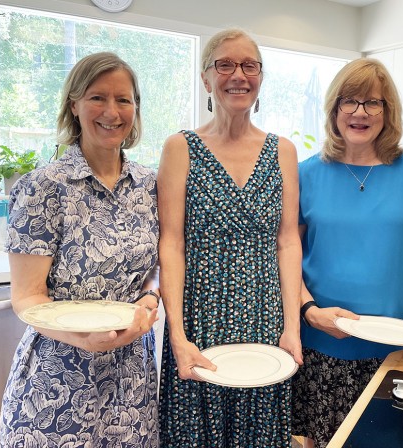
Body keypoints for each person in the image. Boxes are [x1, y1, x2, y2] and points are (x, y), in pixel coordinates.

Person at [0, 52, 160, 446]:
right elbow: (27, 297)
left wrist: (152, 297)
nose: (112, 111)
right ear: (74, 104)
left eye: (124, 99)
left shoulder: (150, 185)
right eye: (97, 97)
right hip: (58, 376)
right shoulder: (44, 187)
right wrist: (84, 340)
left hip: (131, 378)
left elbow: (154, 265)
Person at [157, 28, 303, 447]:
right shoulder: (180, 147)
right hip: (199, 318)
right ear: (206, 78)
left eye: (249, 65)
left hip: (264, 319)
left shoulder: (283, 151)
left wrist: (291, 327)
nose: (238, 74)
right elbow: (171, 243)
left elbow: (288, 241)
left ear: (260, 78)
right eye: (225, 64)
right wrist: (177, 336)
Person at [292, 58, 403, 448]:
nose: (360, 113)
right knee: (327, 442)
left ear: (388, 112)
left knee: (390, 441)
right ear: (334, 109)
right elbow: (288, 253)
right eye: (349, 101)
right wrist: (309, 310)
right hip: (325, 342)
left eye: (373, 103)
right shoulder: (305, 173)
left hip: (395, 347)